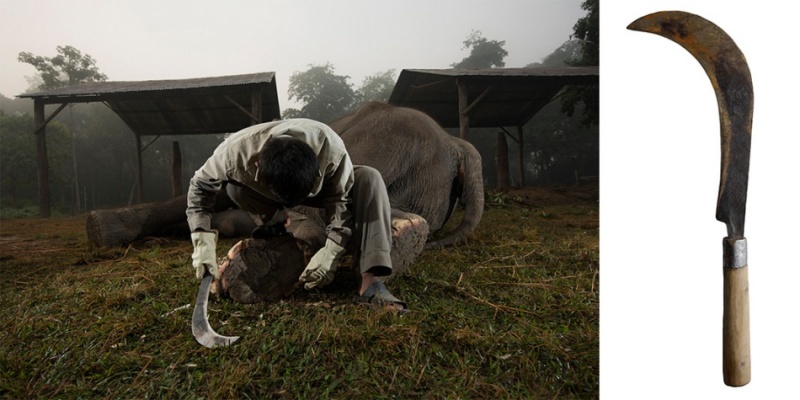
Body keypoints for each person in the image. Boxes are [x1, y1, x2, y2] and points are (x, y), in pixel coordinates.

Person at [186, 118, 406, 310]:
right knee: (234, 187)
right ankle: (275, 226)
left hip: (321, 190)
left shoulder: (333, 151)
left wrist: (332, 251)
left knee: (370, 177)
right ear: (257, 167)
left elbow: (340, 203)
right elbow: (200, 188)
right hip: (265, 192)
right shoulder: (234, 153)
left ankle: (370, 281)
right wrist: (201, 239)